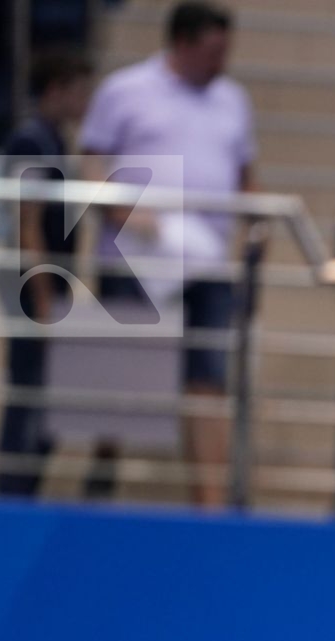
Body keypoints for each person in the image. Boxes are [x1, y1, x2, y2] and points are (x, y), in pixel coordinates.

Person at [79, 1, 256, 509]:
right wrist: (119, 211)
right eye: (212, 50)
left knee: (207, 375)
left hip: (207, 260)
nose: (222, 61)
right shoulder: (125, 90)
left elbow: (246, 173)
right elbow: (92, 159)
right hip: (137, 256)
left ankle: (210, 500)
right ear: (181, 43)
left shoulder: (233, 100)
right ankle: (103, 474)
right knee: (123, 375)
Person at [0, 49, 95, 498]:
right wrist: (41, 300)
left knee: (43, 393)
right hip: (30, 290)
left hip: (45, 286)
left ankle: (22, 487)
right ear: (56, 90)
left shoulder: (52, 140)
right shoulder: (31, 141)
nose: (87, 101)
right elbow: (26, 223)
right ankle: (12, 491)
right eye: (81, 91)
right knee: (29, 394)